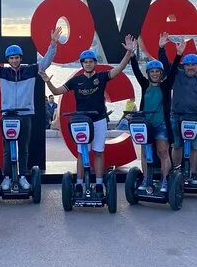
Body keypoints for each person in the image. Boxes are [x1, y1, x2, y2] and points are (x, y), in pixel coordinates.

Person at [40, 35, 136, 195]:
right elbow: (56, 91)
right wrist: (47, 81)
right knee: (81, 152)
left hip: (99, 120)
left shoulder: (102, 77)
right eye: (85, 62)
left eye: (91, 61)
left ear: (95, 63)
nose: (88, 64)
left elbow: (119, 69)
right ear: (82, 64)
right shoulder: (75, 80)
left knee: (98, 152)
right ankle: (79, 184)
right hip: (82, 122)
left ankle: (98, 184)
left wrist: (128, 53)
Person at [0, 25, 62, 192]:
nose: (14, 60)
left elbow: (46, 62)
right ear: (8, 59)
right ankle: (7, 177)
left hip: (25, 114)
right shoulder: (2, 72)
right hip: (7, 115)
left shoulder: (31, 70)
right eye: (11, 58)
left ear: (21, 58)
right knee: (7, 149)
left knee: (24, 148)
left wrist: (53, 44)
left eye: (16, 58)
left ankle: (23, 176)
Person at [131, 38, 185, 192]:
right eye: (152, 71)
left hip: (161, 124)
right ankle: (146, 179)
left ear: (161, 73)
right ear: (148, 73)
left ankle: (165, 181)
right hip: (146, 125)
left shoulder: (166, 86)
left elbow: (173, 71)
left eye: (157, 71)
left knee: (163, 153)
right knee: (145, 153)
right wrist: (132, 54)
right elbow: (135, 71)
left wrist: (178, 55)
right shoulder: (145, 85)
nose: (154, 74)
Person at [159, 33, 197, 186]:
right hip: (177, 116)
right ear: (184, 66)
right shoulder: (178, 75)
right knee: (177, 145)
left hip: (195, 117)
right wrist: (161, 48)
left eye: (193, 65)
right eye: (187, 65)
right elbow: (166, 65)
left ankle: (193, 173)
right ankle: (176, 171)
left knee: (195, 147)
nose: (190, 67)